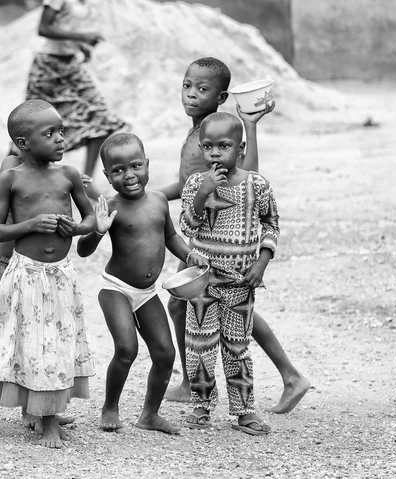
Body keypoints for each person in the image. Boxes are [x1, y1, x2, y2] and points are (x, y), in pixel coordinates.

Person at [160, 57, 310, 413]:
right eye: (187, 86)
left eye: (202, 89)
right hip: (203, 237)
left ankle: (286, 376)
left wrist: (249, 126)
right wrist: (146, 196)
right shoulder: (201, 132)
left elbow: (247, 179)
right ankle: (198, 382)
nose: (191, 95)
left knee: (219, 302)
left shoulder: (215, 136)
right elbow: (187, 186)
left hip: (218, 241)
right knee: (200, 302)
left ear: (221, 97)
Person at [0, 99, 96, 449]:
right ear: (24, 143)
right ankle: (48, 423)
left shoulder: (69, 175)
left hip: (61, 276)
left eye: (61, 131)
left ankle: (44, 409)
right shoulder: (10, 179)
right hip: (27, 275)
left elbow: (88, 219)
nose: (60, 138)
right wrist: (30, 224)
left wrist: (77, 229)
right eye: (50, 133)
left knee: (57, 343)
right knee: (35, 346)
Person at [77, 132, 208, 435]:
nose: (129, 175)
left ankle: (149, 415)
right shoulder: (110, 206)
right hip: (116, 289)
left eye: (135, 166)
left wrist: (190, 255)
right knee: (126, 349)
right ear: (108, 177)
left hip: (147, 293)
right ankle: (110, 408)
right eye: (118, 170)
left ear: (147, 165)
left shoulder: (160, 200)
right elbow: (84, 251)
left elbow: (171, 237)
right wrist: (97, 230)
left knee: (165, 353)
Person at [180, 111, 279, 434]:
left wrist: (261, 262)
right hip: (202, 281)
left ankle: (244, 410)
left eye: (223, 146)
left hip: (241, 282)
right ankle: (201, 403)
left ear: (240, 147)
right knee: (199, 344)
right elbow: (186, 224)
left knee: (237, 346)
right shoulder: (197, 183)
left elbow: (270, 223)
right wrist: (202, 193)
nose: (214, 154)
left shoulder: (257, 185)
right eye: (208, 147)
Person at [16, 0, 128, 199]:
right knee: (32, 125)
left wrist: (80, 45)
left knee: (100, 118)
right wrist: (83, 36)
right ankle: (5, 178)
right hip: (48, 68)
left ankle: (86, 181)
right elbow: (44, 28)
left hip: (70, 65)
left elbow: (66, 26)